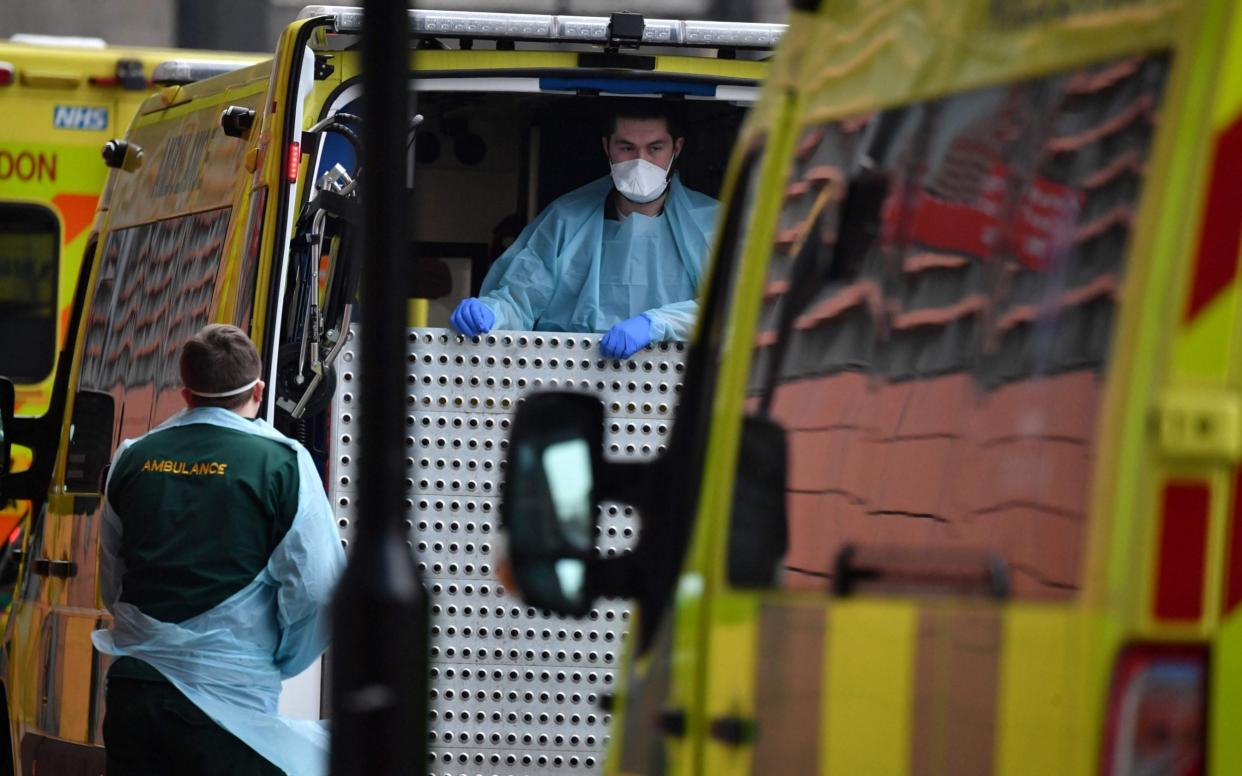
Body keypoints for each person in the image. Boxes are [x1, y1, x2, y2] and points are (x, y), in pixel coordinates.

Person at [92, 324, 346, 776]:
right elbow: (320, 591)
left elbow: (114, 583)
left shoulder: (131, 457)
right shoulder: (283, 464)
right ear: (260, 390)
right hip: (226, 707)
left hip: (135, 693)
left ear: (186, 393)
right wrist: (281, 662)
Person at [450, 102, 719, 358]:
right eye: (626, 148)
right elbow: (519, 299)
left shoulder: (715, 224)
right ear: (607, 147)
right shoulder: (565, 219)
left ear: (677, 148)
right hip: (568, 382)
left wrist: (657, 323)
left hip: (675, 392)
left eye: (654, 148)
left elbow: (737, 309)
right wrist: (490, 312)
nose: (640, 162)